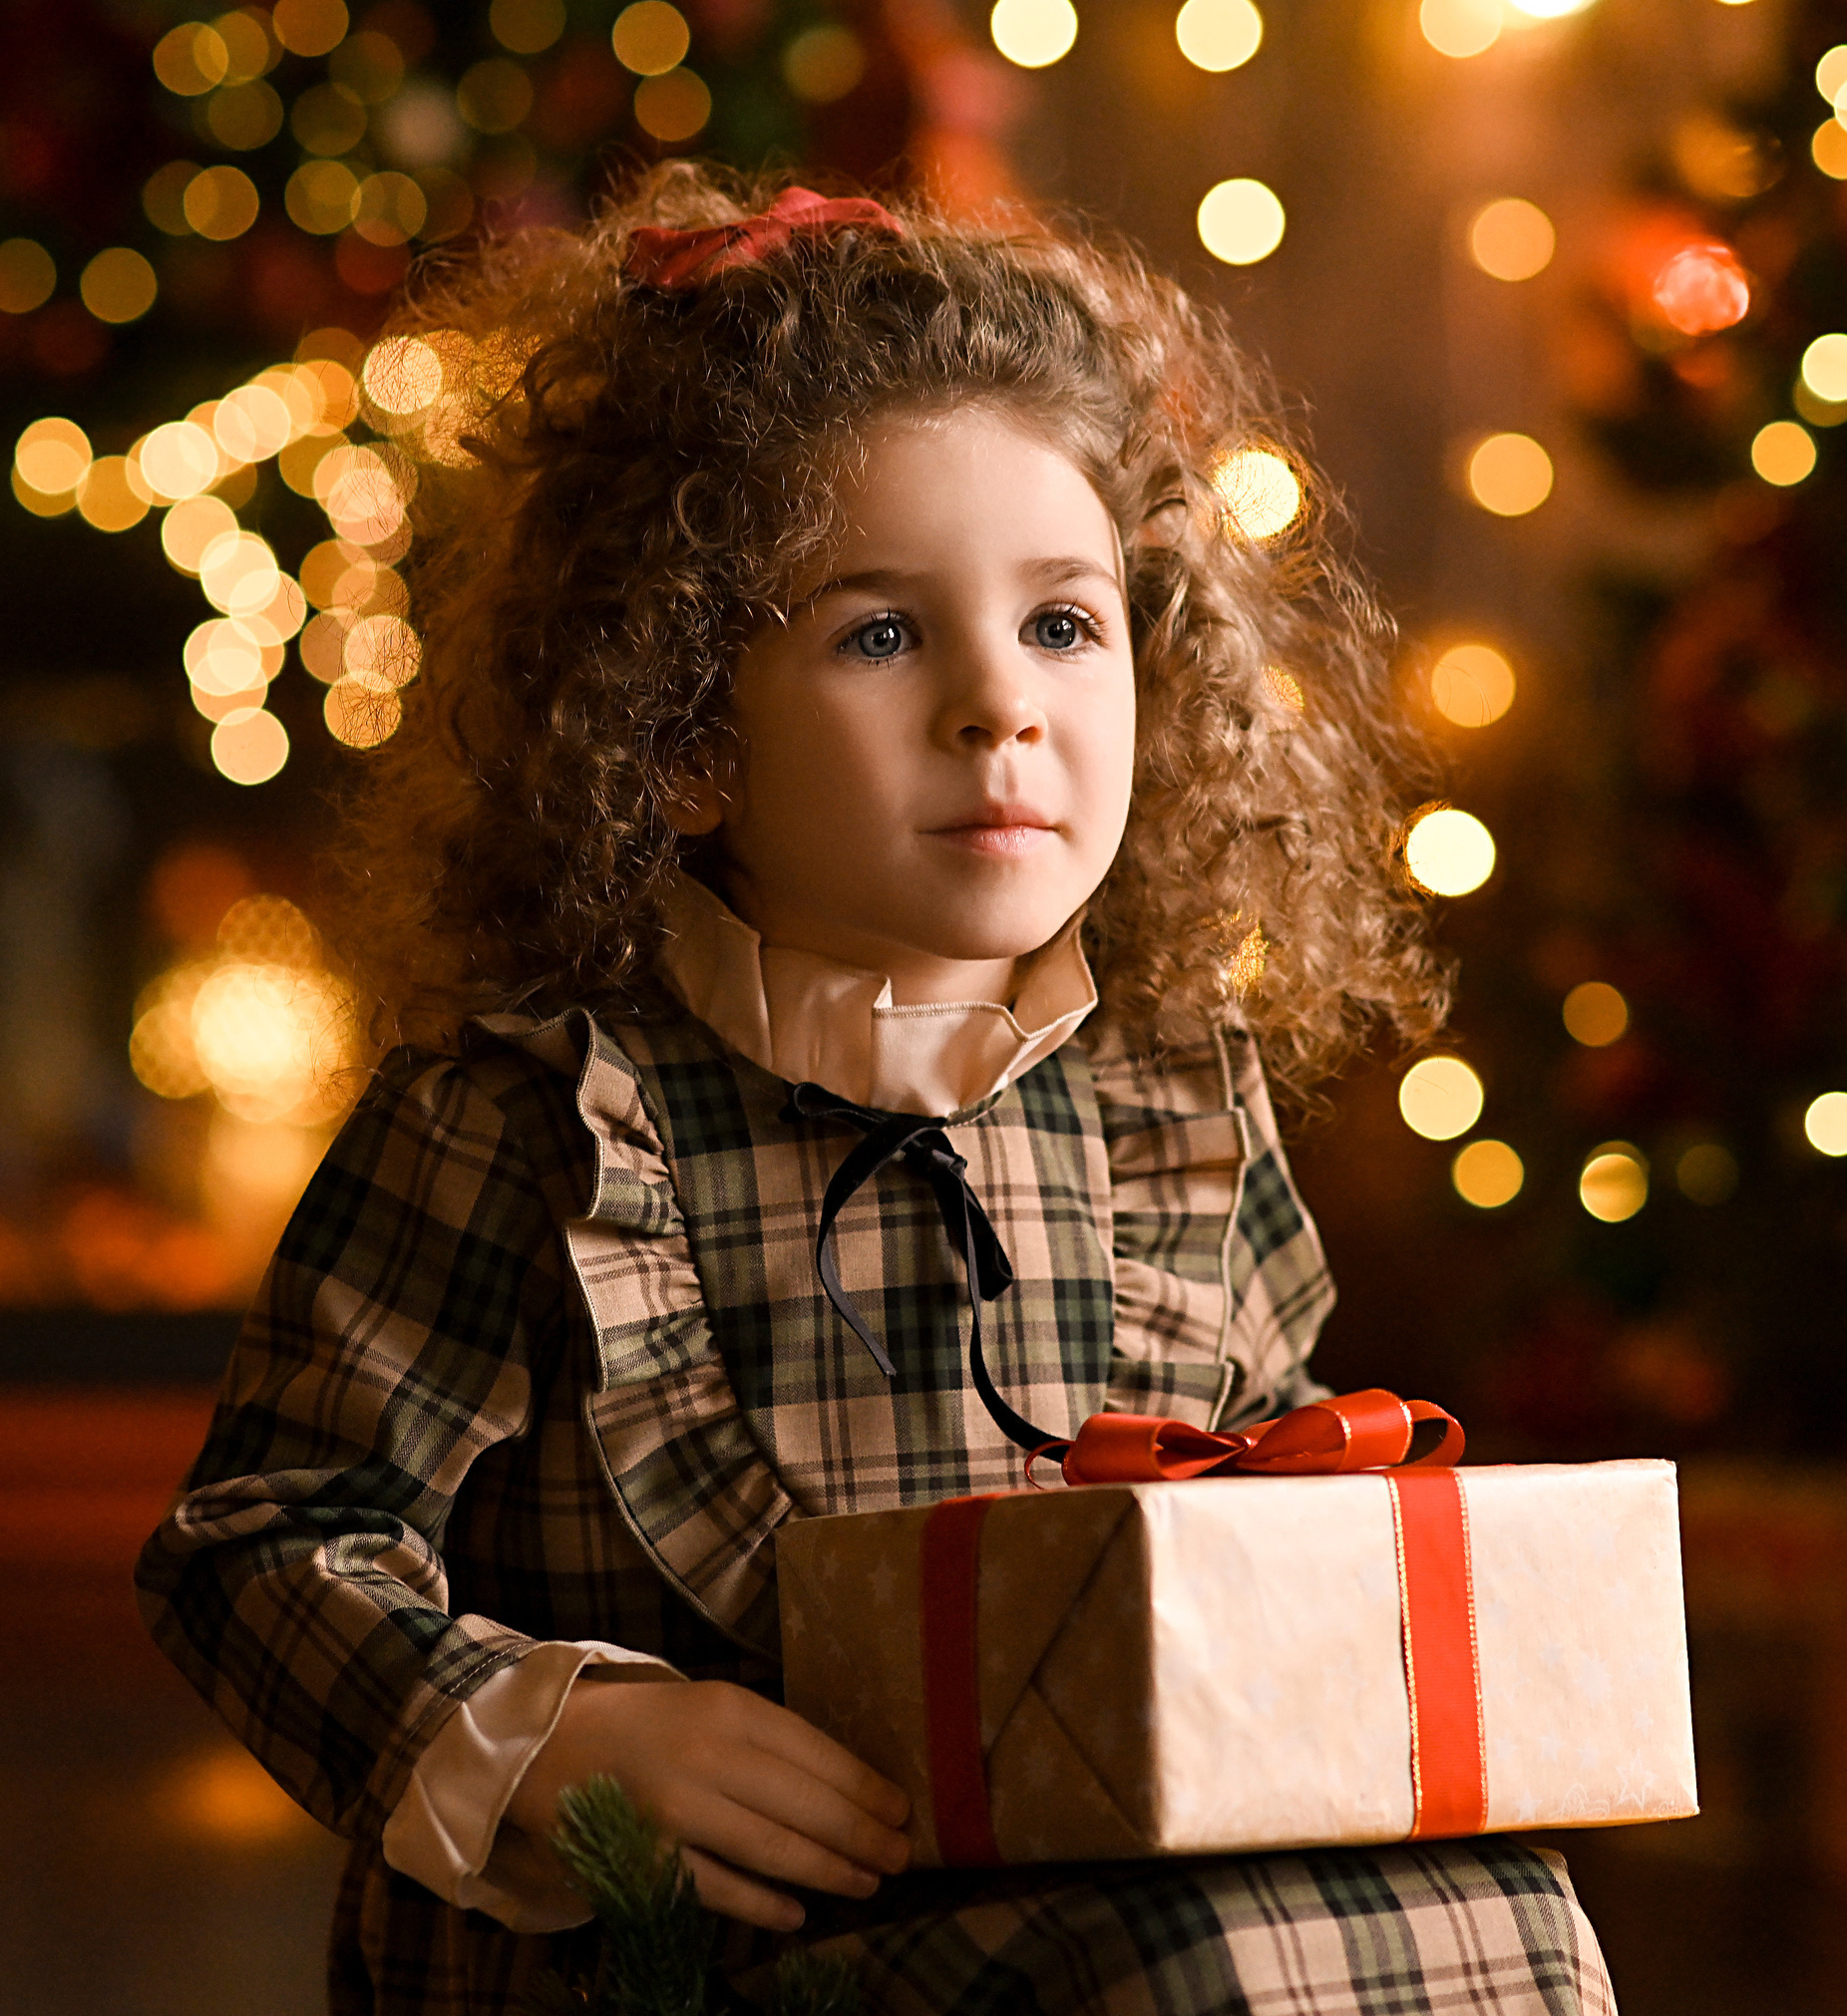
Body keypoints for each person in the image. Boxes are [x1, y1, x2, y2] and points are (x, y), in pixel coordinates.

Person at [137, 165, 1614, 2015]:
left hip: (1056, 1889)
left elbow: (1278, 1440)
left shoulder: (1169, 1101)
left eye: (1063, 626)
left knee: (1503, 1917)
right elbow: (258, 1543)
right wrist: (570, 1744)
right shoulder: (540, 1120)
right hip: (685, 1947)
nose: (1000, 704)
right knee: (1187, 1974)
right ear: (676, 735)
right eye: (881, 634)